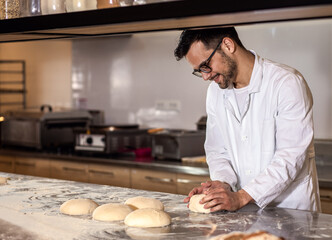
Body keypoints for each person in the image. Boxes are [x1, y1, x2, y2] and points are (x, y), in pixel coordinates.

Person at [174, 27, 321, 212]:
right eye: (199, 71)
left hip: (291, 210)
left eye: (205, 66)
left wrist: (241, 197)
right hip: (245, 212)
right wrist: (221, 184)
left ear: (227, 45)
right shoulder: (215, 92)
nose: (205, 76)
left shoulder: (286, 83)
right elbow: (217, 150)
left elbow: (290, 156)